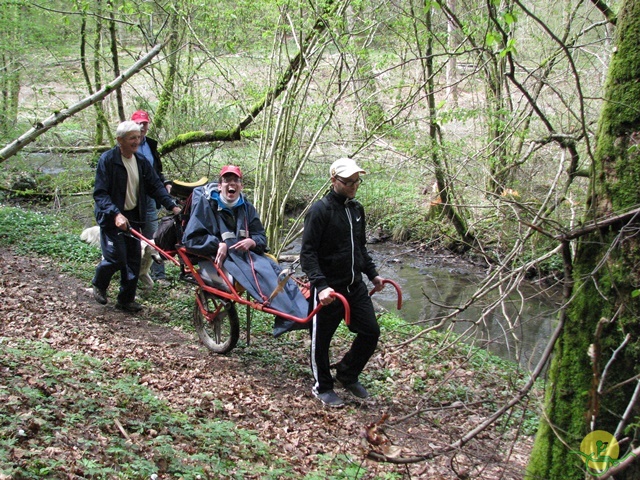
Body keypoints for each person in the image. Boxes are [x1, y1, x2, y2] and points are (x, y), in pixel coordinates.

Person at [300, 157, 386, 407]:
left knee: (370, 331)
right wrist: (321, 285)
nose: (353, 185)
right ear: (333, 180)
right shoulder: (320, 210)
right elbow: (307, 253)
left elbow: (359, 248)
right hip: (328, 288)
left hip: (354, 286)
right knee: (321, 340)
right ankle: (323, 386)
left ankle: (347, 373)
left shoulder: (356, 210)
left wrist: (373, 274)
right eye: (348, 181)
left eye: (357, 181)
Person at [182, 166, 308, 324]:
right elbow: (191, 239)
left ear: (241, 187)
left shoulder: (246, 208)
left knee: (274, 270)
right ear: (220, 185)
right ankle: (294, 317)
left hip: (248, 256)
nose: (231, 184)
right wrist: (217, 244)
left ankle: (304, 306)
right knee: (264, 278)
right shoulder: (207, 205)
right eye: (227, 180)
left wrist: (253, 241)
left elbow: (261, 237)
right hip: (223, 260)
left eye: (236, 181)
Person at [92, 121, 181, 312]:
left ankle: (125, 300)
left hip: (133, 215)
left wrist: (171, 206)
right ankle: (99, 284)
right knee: (116, 258)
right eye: (132, 138)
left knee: (133, 259)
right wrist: (115, 214)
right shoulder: (108, 160)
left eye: (138, 137)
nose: (137, 141)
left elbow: (155, 186)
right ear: (120, 140)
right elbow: (100, 193)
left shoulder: (141, 161)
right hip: (111, 216)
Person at [131, 109, 171, 283]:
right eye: (138, 123)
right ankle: (131, 274)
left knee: (153, 236)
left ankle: (159, 275)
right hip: (130, 199)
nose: (141, 126)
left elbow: (156, 172)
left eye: (145, 123)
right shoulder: (126, 145)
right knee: (131, 238)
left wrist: (165, 183)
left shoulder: (151, 145)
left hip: (148, 199)